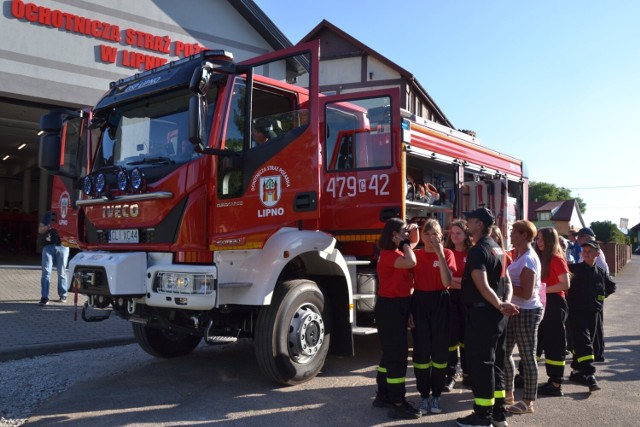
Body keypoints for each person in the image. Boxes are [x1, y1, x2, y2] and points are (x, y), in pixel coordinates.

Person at [456, 208, 519, 427]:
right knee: (497, 364)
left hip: (482, 314)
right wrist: (504, 304)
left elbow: (481, 285)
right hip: (497, 316)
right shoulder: (499, 250)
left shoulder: (478, 250)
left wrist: (501, 304)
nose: (467, 224)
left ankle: (482, 415)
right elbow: (507, 283)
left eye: (470, 220)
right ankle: (498, 414)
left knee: (482, 365)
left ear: (480, 224)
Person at [372, 218, 422, 420]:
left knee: (390, 354)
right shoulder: (389, 255)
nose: (407, 237)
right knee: (397, 357)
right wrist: (404, 243)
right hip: (390, 308)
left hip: (398, 305)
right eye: (403, 232)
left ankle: (383, 394)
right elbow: (412, 261)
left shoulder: (398, 251)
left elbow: (414, 242)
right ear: (393, 235)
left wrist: (413, 229)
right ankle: (397, 401)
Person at [410, 219, 456, 415]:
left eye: (434, 234)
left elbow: (447, 282)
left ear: (440, 236)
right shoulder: (416, 255)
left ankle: (436, 395)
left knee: (439, 352)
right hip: (419, 302)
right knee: (421, 353)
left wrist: (439, 253)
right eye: (426, 234)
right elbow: (409, 285)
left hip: (441, 302)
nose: (430, 238)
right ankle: (423, 396)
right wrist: (409, 311)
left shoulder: (447, 254)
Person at [503, 220, 543, 416]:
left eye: (514, 231)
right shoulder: (519, 255)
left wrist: (505, 285)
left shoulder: (528, 259)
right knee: (504, 353)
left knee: (527, 357)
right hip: (515, 311)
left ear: (525, 235)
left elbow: (527, 293)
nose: (511, 234)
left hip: (527, 311)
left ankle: (528, 402)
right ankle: (509, 394)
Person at [566, 240, 615, 392]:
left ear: (597, 254)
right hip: (576, 313)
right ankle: (589, 374)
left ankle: (576, 371)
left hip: (593, 313)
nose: (586, 253)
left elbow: (611, 287)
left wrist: (600, 297)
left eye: (590, 251)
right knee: (584, 342)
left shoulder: (600, 273)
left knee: (587, 343)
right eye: (584, 250)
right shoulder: (574, 269)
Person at [535, 227, 571, 397]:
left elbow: (565, 284)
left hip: (555, 303)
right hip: (543, 302)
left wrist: (543, 290)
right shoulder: (542, 258)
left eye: (541, 239)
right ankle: (528, 375)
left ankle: (556, 383)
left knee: (554, 343)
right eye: (537, 238)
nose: (538, 242)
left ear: (550, 241)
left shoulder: (557, 259)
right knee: (539, 338)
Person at [444, 219, 474, 392]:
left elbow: (473, 281)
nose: (455, 236)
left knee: (466, 339)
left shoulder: (472, 253)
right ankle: (450, 375)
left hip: (467, 300)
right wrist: (459, 282)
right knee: (450, 339)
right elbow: (443, 280)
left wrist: (453, 281)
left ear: (466, 235)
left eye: (458, 233)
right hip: (449, 299)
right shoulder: (446, 253)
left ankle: (468, 375)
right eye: (452, 233)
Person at [576, 227, 609, 362]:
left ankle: (597, 352)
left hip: (593, 294)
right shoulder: (588, 250)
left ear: (587, 238)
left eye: (579, 237)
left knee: (595, 326)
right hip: (590, 293)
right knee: (594, 325)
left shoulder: (595, 252)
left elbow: (602, 273)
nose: (577, 240)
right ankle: (596, 351)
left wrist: (599, 294)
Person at [37, 211, 69, 306]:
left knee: (62, 272)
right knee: (46, 272)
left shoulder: (69, 214)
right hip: (48, 246)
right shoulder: (48, 214)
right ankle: (44, 297)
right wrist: (49, 226)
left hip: (63, 245)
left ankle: (63, 295)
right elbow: (40, 230)